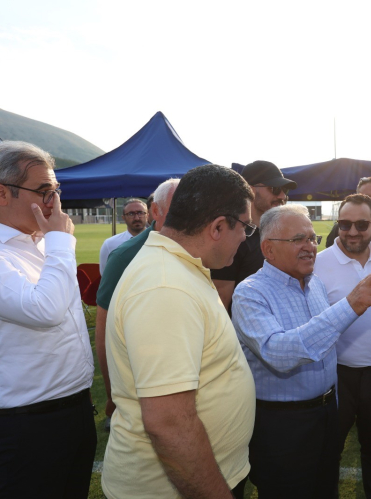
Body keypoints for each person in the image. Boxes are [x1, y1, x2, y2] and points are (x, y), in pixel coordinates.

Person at [0, 141, 96, 499]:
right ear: (1, 193)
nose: (54, 202)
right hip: (25, 424)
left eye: (56, 191)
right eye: (44, 191)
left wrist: (54, 243)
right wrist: (61, 242)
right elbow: (44, 311)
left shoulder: (43, 244)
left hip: (75, 409)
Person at [102, 165, 256, 499]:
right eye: (245, 226)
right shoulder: (165, 286)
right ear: (217, 227)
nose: (246, 237)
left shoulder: (177, 266)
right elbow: (168, 423)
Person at [232, 204, 371, 499]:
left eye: (312, 238)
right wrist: (349, 306)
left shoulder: (315, 285)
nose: (310, 246)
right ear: (268, 249)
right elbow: (279, 353)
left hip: (326, 413)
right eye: (298, 239)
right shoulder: (250, 293)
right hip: (283, 425)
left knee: (326, 489)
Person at [313, 194, 371, 499]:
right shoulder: (318, 265)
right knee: (329, 449)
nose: (352, 231)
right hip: (335, 375)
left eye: (361, 224)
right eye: (344, 224)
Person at [94, 178, 179, 431]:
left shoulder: (196, 247)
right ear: (156, 211)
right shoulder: (119, 252)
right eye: (131, 213)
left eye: (138, 213)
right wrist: (112, 394)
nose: (136, 217)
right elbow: (105, 321)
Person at [212, 160, 296, 313]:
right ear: (250, 190)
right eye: (275, 189)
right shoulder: (232, 236)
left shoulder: (278, 235)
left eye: (285, 190)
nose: (283, 196)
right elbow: (220, 301)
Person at [98, 198, 148, 274]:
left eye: (140, 213)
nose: (137, 218)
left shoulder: (158, 240)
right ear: (123, 218)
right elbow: (105, 274)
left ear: (147, 215)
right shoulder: (110, 244)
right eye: (131, 214)